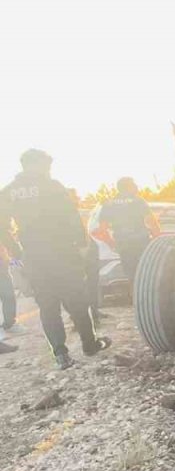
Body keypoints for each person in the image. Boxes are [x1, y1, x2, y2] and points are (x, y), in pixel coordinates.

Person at [0, 150, 109, 368]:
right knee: (77, 300)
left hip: (34, 257)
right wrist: (80, 246)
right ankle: (90, 345)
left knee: (47, 306)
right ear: (36, 165)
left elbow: (2, 227)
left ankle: (60, 354)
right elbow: (72, 215)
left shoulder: (8, 192)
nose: (48, 170)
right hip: (62, 253)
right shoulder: (52, 186)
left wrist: (18, 253)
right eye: (46, 166)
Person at [95, 177, 160, 284]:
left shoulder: (109, 204)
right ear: (128, 187)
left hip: (123, 243)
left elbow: (102, 229)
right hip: (141, 242)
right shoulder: (138, 201)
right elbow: (151, 221)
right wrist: (157, 239)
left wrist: (112, 244)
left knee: (131, 275)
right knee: (147, 273)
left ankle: (134, 297)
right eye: (134, 184)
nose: (136, 187)